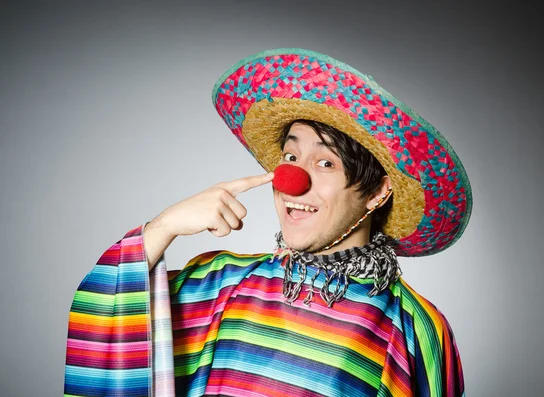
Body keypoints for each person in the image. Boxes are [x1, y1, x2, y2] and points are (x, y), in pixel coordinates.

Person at [63, 48, 472, 397]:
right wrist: (162, 227)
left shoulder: (415, 327)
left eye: (325, 162)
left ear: (377, 191)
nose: (293, 181)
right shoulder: (219, 281)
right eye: (290, 158)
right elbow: (105, 327)